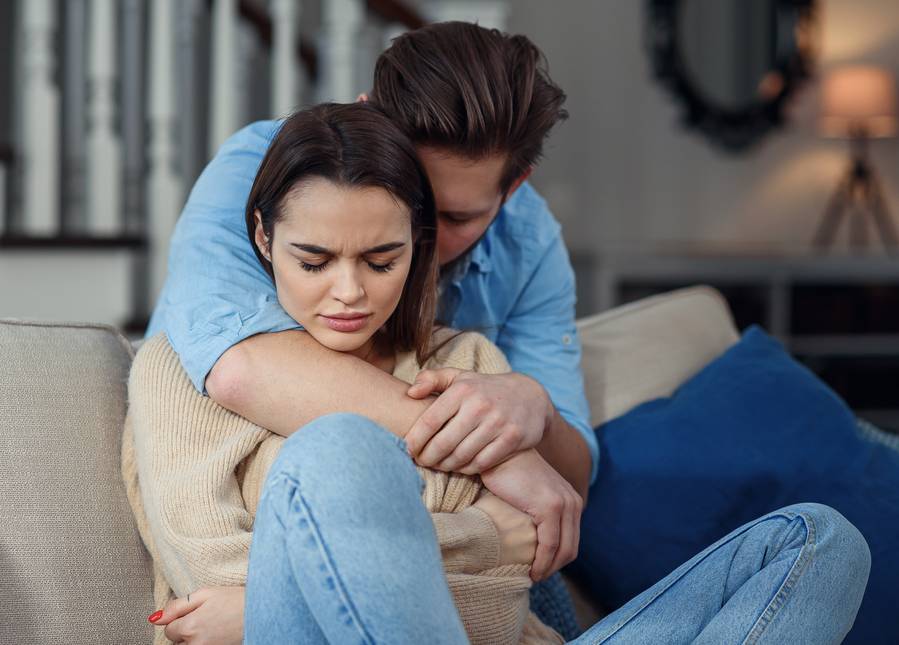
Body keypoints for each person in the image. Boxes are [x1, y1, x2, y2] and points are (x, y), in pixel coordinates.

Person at [126, 103, 871, 645]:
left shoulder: (471, 368)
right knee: (343, 450)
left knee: (822, 541)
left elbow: (509, 605)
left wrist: (296, 591)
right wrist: (483, 537)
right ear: (263, 237)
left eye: (380, 260)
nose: (347, 292)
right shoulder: (180, 368)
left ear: (419, 243)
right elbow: (213, 589)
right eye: (313, 260)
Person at [145, 22, 591, 587]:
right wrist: (502, 457)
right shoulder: (268, 169)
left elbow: (565, 489)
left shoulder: (527, 247)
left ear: (516, 186)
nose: (419, 234)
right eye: (406, 194)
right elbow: (240, 366)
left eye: (454, 218)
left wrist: (538, 413)